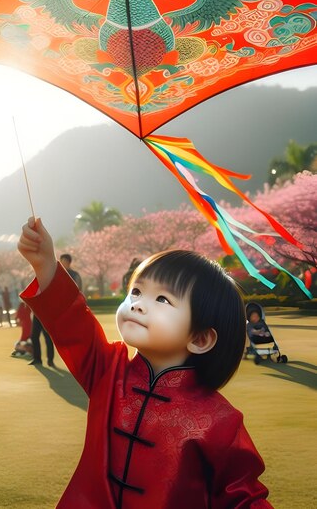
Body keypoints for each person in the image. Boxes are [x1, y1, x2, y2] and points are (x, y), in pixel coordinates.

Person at [18, 217, 272, 508]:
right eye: (136, 291)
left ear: (200, 339)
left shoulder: (220, 421)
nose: (136, 303)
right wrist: (46, 264)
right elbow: (72, 324)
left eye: (163, 299)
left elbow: (244, 498)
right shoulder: (109, 371)